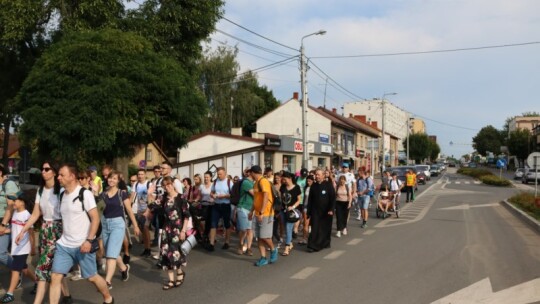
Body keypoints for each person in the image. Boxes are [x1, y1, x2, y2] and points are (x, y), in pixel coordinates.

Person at [49, 164, 113, 304]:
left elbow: (95, 218)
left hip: (83, 245)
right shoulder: (61, 194)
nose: (58, 177)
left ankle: (108, 298)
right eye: (58, 174)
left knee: (91, 277)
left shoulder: (85, 194)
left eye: (61, 175)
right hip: (64, 245)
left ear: (72, 176)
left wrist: (89, 241)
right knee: (55, 277)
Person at [16, 162, 73, 304]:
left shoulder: (61, 191)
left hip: (58, 230)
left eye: (47, 169)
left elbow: (69, 213)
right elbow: (36, 214)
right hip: (45, 230)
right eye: (42, 169)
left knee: (42, 268)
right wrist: (23, 230)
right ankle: (67, 296)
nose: (43, 171)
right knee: (54, 267)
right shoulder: (41, 191)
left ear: (54, 172)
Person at [100, 170, 140, 289]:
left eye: (114, 178)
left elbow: (128, 210)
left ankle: (107, 281)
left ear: (118, 181)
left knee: (110, 256)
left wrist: (136, 225)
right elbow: (99, 211)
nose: (111, 180)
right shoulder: (103, 194)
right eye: (110, 178)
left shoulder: (121, 193)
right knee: (111, 252)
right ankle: (124, 268)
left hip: (118, 224)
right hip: (105, 224)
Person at [153, 177, 190, 290]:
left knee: (175, 253)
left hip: (177, 229)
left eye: (169, 184)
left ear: (173, 184)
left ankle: (179, 273)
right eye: (165, 185)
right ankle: (171, 280)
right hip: (166, 229)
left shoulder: (181, 198)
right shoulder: (163, 198)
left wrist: (183, 230)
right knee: (165, 253)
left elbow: (187, 216)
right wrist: (150, 195)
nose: (167, 187)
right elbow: (152, 206)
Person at [0, 191, 37, 303]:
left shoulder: (27, 216)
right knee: (24, 269)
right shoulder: (15, 213)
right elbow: (15, 228)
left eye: (15, 200)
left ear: (22, 202)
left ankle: (10, 293)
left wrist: (33, 247)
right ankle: (38, 283)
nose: (13, 202)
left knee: (15, 270)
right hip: (16, 248)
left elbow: (31, 233)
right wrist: (6, 230)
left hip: (23, 248)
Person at [249, 165, 278, 267]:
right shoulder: (256, 183)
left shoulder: (263, 181)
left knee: (264, 236)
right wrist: (251, 211)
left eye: (250, 173)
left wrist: (261, 212)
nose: (249, 175)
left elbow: (266, 197)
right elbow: (256, 199)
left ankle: (273, 250)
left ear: (253, 173)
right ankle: (263, 258)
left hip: (266, 213)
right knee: (259, 237)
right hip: (257, 214)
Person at [306, 169, 335, 252]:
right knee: (315, 228)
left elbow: (333, 198)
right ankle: (313, 245)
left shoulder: (328, 185)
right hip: (315, 211)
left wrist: (331, 209)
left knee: (324, 228)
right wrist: (308, 212)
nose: (317, 176)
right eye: (316, 174)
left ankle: (325, 242)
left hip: (326, 212)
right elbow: (310, 199)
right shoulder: (313, 186)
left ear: (323, 175)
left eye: (318, 175)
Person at [207, 167, 232, 251]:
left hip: (226, 205)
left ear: (225, 174)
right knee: (213, 224)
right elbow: (211, 192)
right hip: (216, 205)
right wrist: (212, 195)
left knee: (226, 224)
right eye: (218, 174)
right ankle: (211, 243)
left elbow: (232, 194)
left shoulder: (229, 182)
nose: (219, 175)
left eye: (220, 174)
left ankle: (227, 242)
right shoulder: (215, 182)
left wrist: (224, 196)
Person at [0, 164, 20, 269]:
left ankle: (17, 270)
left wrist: (3, 224)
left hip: (5, 222)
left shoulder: (9, 184)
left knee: (1, 255)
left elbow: (11, 206)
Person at [279, 172, 301, 256]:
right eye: (282, 179)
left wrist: (293, 206)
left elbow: (299, 200)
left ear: (289, 178)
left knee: (288, 228)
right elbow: (281, 198)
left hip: (291, 212)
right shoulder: (283, 187)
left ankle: (286, 248)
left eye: (284, 179)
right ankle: (290, 242)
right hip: (283, 211)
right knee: (286, 228)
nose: (283, 181)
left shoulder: (296, 187)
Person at [132, 169, 152, 258]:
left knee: (145, 227)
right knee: (143, 229)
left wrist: (148, 210)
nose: (140, 176)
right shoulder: (136, 184)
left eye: (142, 174)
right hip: (139, 210)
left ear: (145, 175)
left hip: (147, 209)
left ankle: (148, 249)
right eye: (139, 174)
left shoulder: (149, 184)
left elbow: (152, 198)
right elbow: (132, 197)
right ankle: (146, 248)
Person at [236, 169, 254, 256]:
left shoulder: (255, 182)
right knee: (244, 229)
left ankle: (249, 247)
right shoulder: (246, 182)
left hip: (251, 209)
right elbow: (255, 194)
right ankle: (240, 244)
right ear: (251, 173)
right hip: (243, 207)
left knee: (250, 229)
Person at [198, 172, 214, 244]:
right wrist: (196, 201)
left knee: (209, 222)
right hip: (203, 205)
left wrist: (213, 199)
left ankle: (210, 237)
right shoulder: (201, 186)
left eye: (207, 177)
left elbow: (216, 194)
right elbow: (199, 196)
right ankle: (205, 234)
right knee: (202, 222)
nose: (206, 178)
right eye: (205, 177)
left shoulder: (213, 185)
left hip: (211, 205)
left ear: (210, 177)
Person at [299, 175, 314, 245]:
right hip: (305, 207)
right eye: (307, 181)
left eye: (310, 181)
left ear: (313, 181)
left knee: (313, 224)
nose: (308, 182)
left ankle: (312, 238)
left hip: (313, 208)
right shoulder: (306, 188)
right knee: (305, 223)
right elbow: (305, 198)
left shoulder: (315, 188)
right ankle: (304, 238)